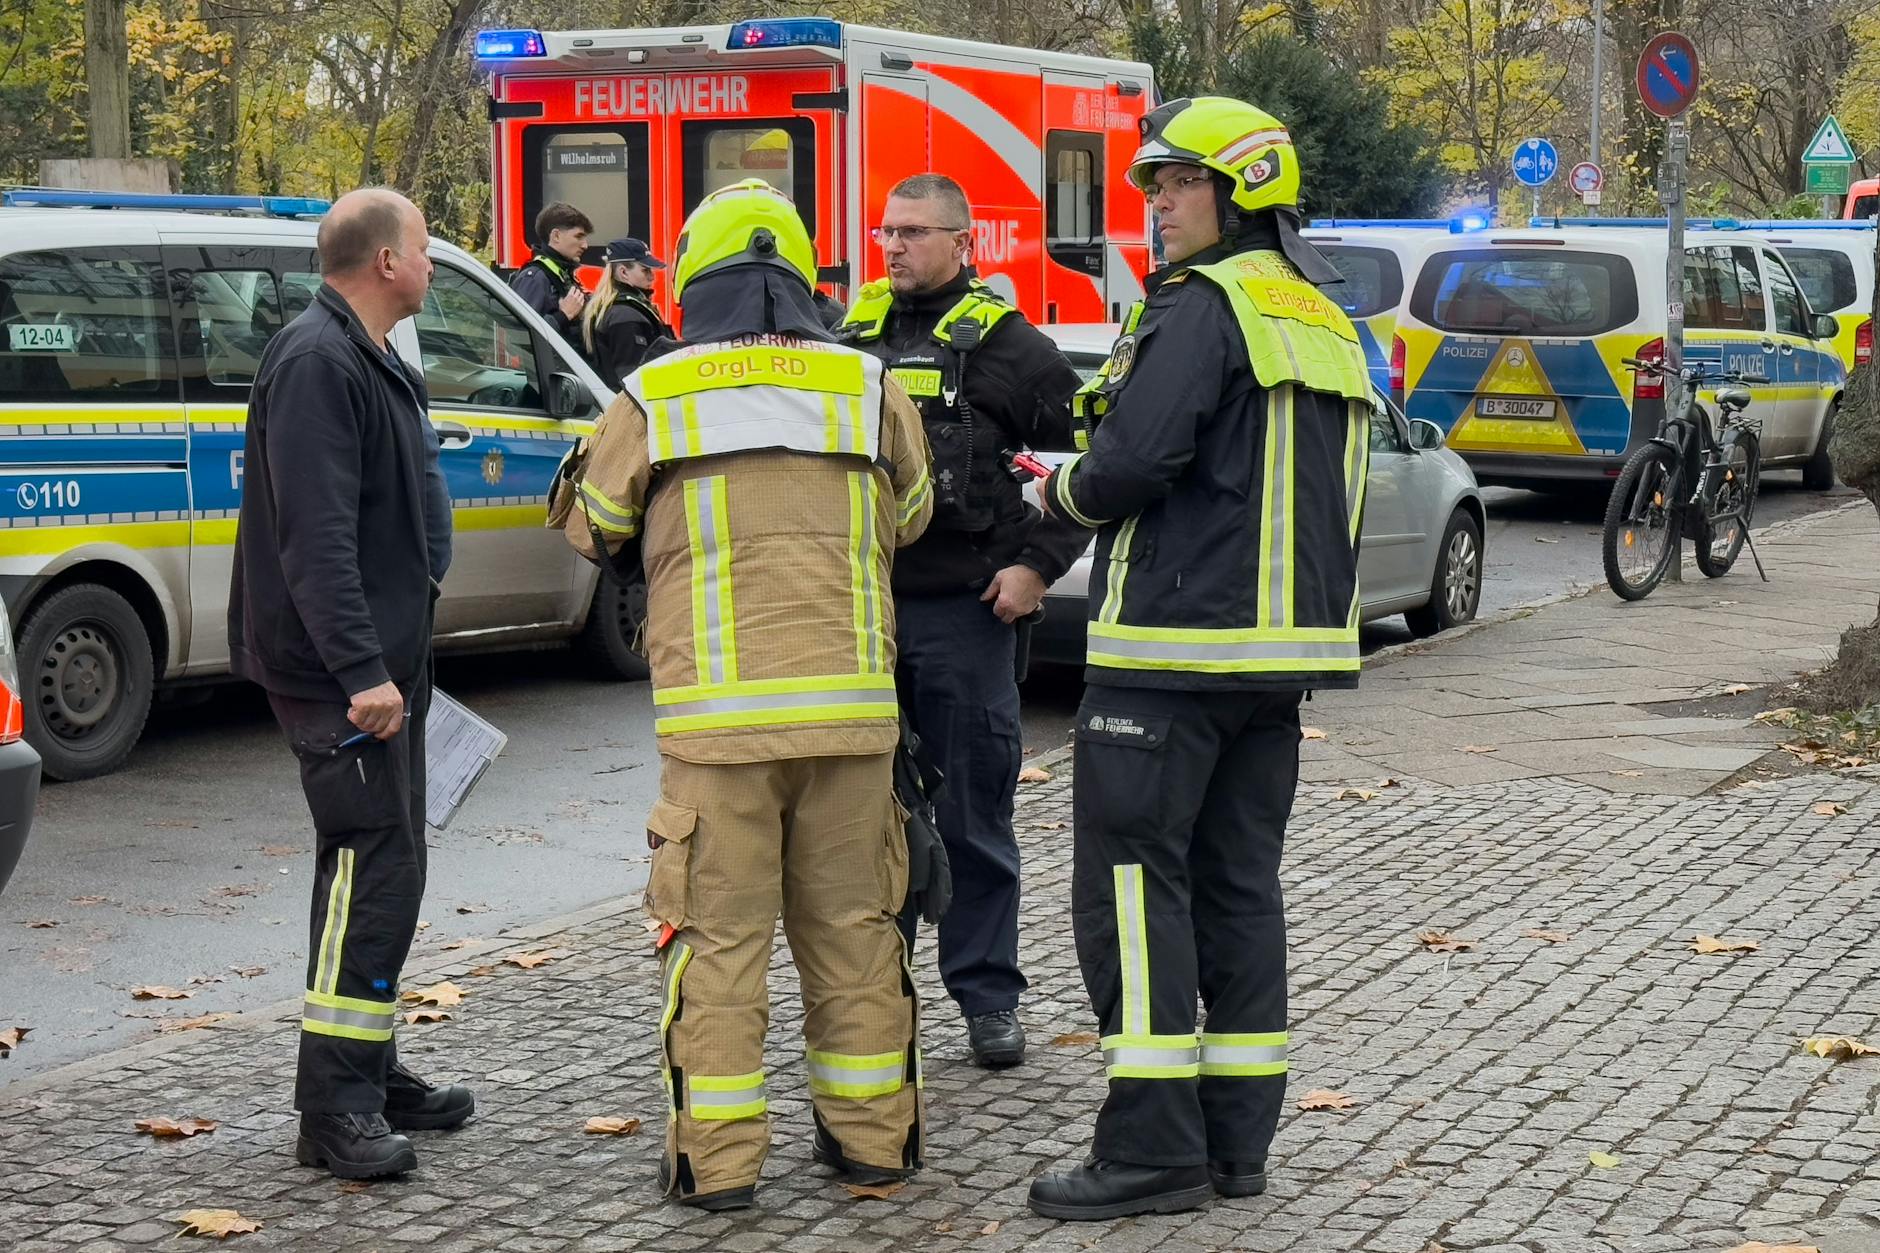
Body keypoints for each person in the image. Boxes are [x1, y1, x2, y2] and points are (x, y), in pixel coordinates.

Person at [549, 179, 934, 1212]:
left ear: (692, 278)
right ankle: (873, 1146)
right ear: (802, 276)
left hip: (716, 735)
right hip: (852, 722)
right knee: (856, 931)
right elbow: (916, 513)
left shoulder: (657, 394)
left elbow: (590, 525)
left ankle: (714, 1167)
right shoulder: (868, 382)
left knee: (716, 949)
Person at [1025, 98, 1372, 1220]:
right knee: (1237, 892)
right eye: (1149, 186)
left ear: (1239, 192)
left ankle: (1149, 1147)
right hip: (1278, 662)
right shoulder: (1317, 310)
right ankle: (1234, 1144)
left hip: (1168, 653)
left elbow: (1132, 459)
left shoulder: (1198, 304)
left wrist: (1052, 490)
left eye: (1175, 184)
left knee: (1130, 894)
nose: (1155, 205)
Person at [228, 188, 471, 1180]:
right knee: (368, 872)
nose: (432, 262)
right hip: (344, 679)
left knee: (391, 867)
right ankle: (333, 1107)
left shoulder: (365, 352)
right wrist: (361, 672)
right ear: (382, 261)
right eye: (423, 246)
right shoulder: (320, 361)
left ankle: (366, 1063)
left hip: (382, 668)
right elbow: (315, 538)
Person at [838, 174, 1085, 1070]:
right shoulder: (848, 341)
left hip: (966, 616)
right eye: (885, 230)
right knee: (864, 816)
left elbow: (1087, 472)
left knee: (973, 812)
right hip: (865, 614)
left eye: (912, 231)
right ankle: (873, 993)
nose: (893, 246)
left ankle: (987, 998)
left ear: (963, 240)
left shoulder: (1016, 351)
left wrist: (1036, 565)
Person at [581, 237, 674, 387]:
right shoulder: (625, 315)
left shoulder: (617, 309)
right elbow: (631, 379)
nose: (652, 276)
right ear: (623, 272)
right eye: (645, 270)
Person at [510, 201, 591, 343]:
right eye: (578, 236)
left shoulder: (560, 274)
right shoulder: (534, 278)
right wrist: (563, 316)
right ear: (556, 236)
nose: (585, 245)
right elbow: (520, 338)